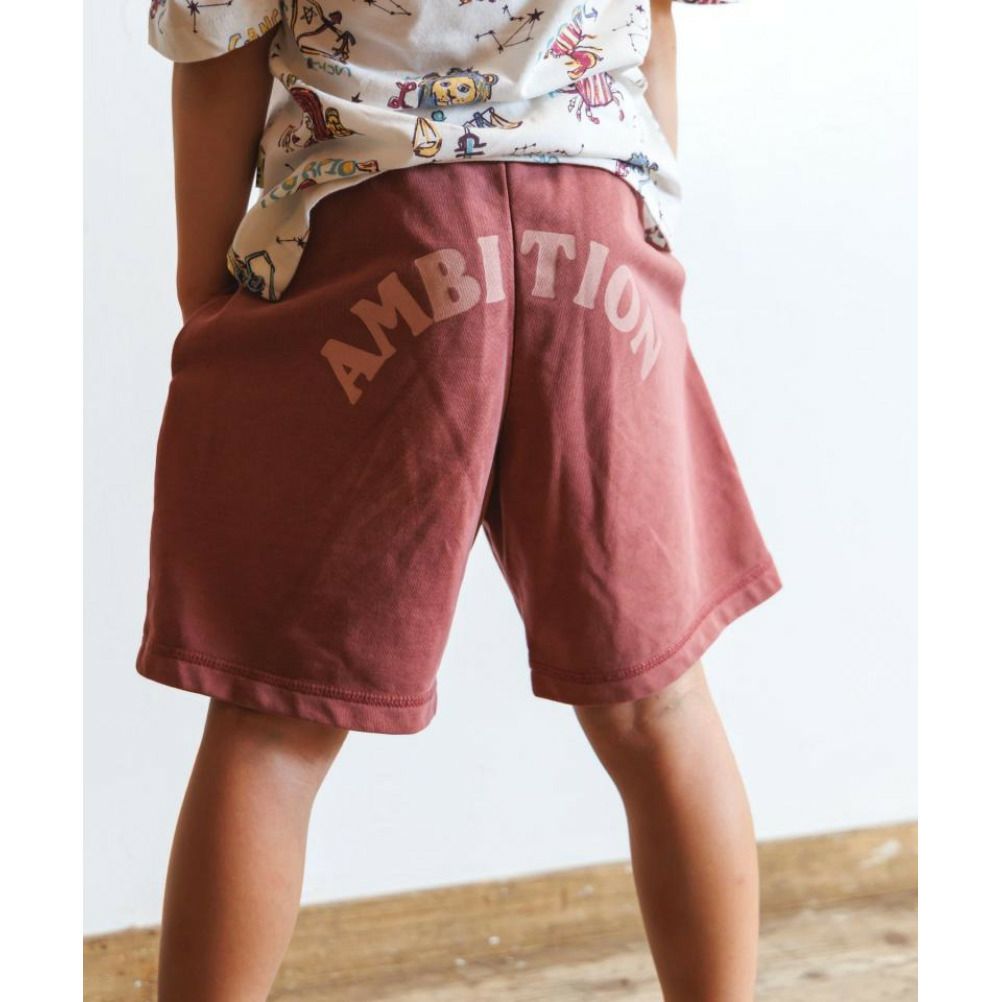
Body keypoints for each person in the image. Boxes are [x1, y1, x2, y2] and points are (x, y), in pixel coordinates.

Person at [138, 1, 781, 999]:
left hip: (375, 225)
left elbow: (217, 39)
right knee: (659, 707)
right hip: (593, 228)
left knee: (274, 725)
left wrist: (203, 285)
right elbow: (656, 22)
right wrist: (642, 204)